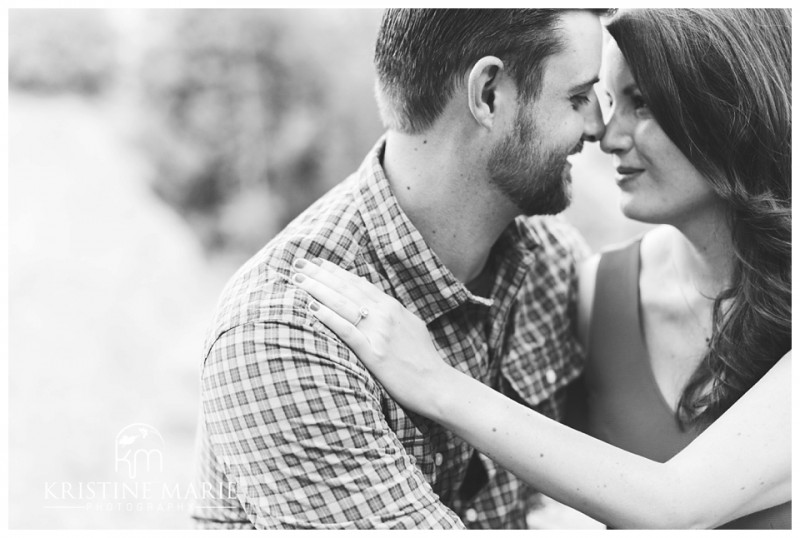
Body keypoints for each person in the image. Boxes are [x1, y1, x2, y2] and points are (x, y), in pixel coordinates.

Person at [291, 8, 791, 530]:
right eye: (600, 99)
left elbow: (674, 505)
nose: (605, 134)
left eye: (640, 103)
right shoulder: (596, 292)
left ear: (732, 111)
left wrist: (437, 383)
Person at [191, 9, 608, 529]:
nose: (596, 127)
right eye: (576, 98)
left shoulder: (553, 263)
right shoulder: (285, 332)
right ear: (489, 95)